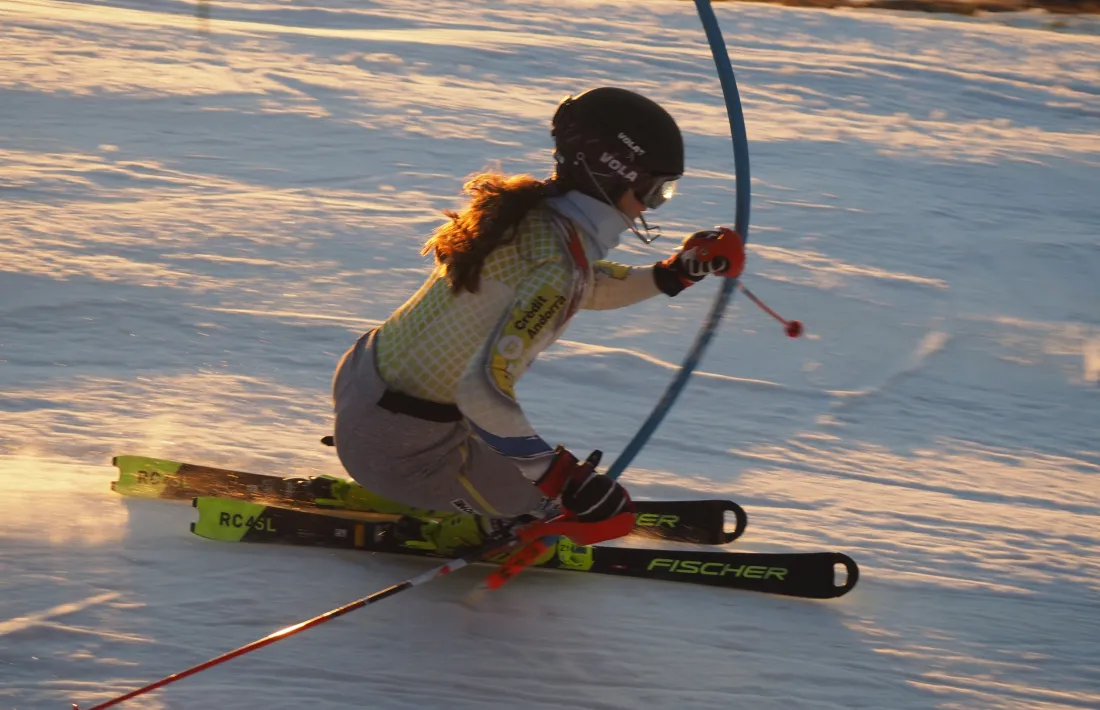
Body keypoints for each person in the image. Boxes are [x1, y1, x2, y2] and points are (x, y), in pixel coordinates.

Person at [327, 87, 746, 553]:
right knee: (541, 501)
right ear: (613, 174)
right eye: (656, 190)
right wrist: (563, 481)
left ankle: (427, 488)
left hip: (367, 393)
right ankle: (474, 526)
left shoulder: (536, 219)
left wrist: (674, 273)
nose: (651, 205)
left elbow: (581, 285)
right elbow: (482, 389)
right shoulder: (559, 263)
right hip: (401, 447)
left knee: (514, 452)